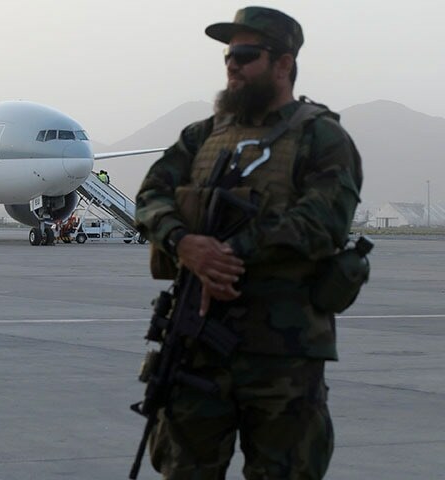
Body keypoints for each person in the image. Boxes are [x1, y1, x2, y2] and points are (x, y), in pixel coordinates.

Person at [135, 6, 362, 479]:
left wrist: (232, 253)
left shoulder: (322, 137)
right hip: (198, 347)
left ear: (283, 64)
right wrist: (184, 244)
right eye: (228, 55)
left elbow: (324, 220)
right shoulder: (201, 137)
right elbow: (150, 195)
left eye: (246, 54)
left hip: (283, 355)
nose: (232, 65)